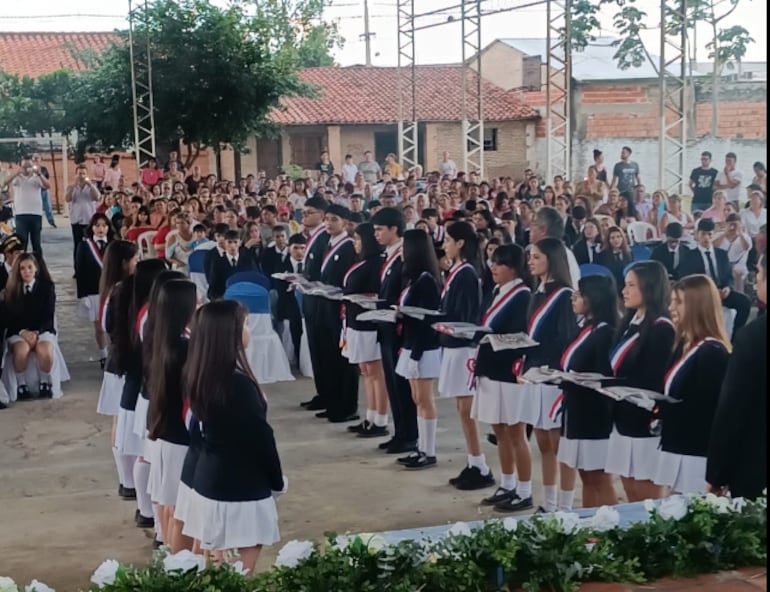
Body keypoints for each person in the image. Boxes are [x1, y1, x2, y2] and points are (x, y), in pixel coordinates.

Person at [182, 300, 285, 573]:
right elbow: (261, 438)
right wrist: (277, 481)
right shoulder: (236, 383)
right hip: (237, 487)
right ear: (228, 334)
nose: (249, 330)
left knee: (217, 570)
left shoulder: (203, 372)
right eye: (245, 325)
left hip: (210, 479)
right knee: (238, 573)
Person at [652, 274, 730, 495]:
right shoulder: (682, 346)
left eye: (678, 301)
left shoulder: (712, 353)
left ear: (697, 305)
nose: (671, 307)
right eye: (671, 301)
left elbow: (712, 412)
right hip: (677, 447)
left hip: (697, 455)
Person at [471, 244, 534, 511]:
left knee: (516, 431)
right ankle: (507, 484)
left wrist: (490, 337)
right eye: (492, 262)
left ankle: (525, 489)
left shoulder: (523, 295)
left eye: (500, 263)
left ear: (514, 268)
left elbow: (521, 335)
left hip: (509, 370)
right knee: (499, 429)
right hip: (490, 367)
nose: (493, 267)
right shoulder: (496, 290)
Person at [605, 260, 674, 502]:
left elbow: (655, 380)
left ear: (650, 288)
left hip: (644, 419)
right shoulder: (630, 322)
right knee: (630, 486)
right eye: (625, 285)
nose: (624, 291)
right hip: (623, 415)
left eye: (631, 285)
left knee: (648, 494)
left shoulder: (662, 328)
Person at [435, 221, 494, 488]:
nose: (444, 244)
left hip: (463, 347)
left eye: (448, 239)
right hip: (452, 344)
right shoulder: (457, 271)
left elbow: (466, 315)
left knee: (466, 408)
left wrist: (442, 321)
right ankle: (474, 461)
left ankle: (480, 465)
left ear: (460, 243)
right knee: (462, 407)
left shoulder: (467, 272)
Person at [523, 237, 578, 512]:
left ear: (552, 260)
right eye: (530, 257)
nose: (530, 262)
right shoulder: (538, 291)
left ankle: (565, 506)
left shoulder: (565, 294)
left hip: (553, 375)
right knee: (544, 441)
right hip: (535, 374)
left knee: (560, 444)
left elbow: (566, 337)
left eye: (536, 257)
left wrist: (543, 358)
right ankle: (549, 502)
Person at [707, 249, 766, 499]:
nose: (756, 279)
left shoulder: (753, 337)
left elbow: (732, 409)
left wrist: (717, 473)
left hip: (757, 466)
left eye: (760, 273)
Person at [113, 259, 167, 530]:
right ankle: (148, 512)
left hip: (137, 385)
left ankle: (143, 507)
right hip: (145, 389)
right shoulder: (150, 314)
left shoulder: (135, 303)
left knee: (140, 452)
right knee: (146, 454)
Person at [558, 275, 619, 508]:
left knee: (599, 477)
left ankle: (613, 527)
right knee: (585, 475)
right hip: (577, 409)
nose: (574, 298)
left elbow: (605, 375)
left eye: (579, 294)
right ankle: (590, 527)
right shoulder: (584, 327)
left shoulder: (605, 332)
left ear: (594, 298)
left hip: (595, 415)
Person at [146, 279, 197, 552]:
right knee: (181, 512)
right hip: (180, 435)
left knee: (168, 503)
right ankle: (178, 564)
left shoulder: (162, 339)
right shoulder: (185, 347)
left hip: (164, 431)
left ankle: (167, 557)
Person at [371, 208, 419, 454]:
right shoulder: (388, 255)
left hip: (397, 328)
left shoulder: (403, 257)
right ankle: (400, 432)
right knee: (392, 383)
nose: (376, 234)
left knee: (401, 384)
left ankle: (409, 435)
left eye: (380, 229)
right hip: (386, 325)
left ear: (394, 229)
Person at [394, 229, 442, 469]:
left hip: (423, 347)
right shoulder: (414, 278)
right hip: (411, 343)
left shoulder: (427, 281)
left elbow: (428, 321)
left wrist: (416, 353)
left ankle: (429, 450)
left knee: (424, 398)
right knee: (416, 398)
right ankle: (421, 447)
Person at [96, 240, 140, 500]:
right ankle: (127, 480)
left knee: (118, 421)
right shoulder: (122, 290)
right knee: (122, 422)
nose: (138, 263)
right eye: (136, 259)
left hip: (116, 360)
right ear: (125, 263)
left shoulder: (111, 288)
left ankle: (126, 480)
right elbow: (109, 325)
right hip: (122, 364)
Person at [342, 223, 389, 438]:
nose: (355, 243)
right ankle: (370, 416)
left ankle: (380, 419)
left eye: (359, 239)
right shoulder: (361, 261)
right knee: (366, 372)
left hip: (369, 323)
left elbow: (379, 294)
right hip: (355, 322)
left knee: (376, 372)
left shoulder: (377, 263)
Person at [314, 204, 359, 423]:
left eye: (334, 219)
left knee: (343, 358)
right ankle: (333, 401)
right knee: (329, 356)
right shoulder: (328, 243)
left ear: (345, 223)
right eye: (327, 219)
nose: (328, 223)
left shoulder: (348, 245)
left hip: (339, 307)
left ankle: (347, 405)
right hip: (325, 303)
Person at [679, 217, 751, 339]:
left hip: (722, 292)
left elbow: (728, 276)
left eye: (710, 234)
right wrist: (710, 290)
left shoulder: (721, 254)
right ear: (697, 234)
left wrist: (728, 287)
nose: (706, 237)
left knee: (744, 302)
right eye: (703, 234)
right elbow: (687, 280)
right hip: (702, 294)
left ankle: (735, 337)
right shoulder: (689, 256)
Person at [3, 254, 58, 400]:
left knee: (45, 351)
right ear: (17, 271)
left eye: (29, 267)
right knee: (21, 351)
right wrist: (23, 332)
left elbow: (48, 315)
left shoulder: (47, 288)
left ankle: (45, 383)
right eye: (22, 268)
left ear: (36, 268)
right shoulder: (11, 290)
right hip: (19, 331)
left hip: (42, 329)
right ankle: (21, 385)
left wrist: (36, 332)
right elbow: (9, 318)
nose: (26, 271)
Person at [75, 213, 115, 367]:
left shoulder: (113, 245)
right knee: (99, 326)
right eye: (97, 225)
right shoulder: (84, 246)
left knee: (113, 325)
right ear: (91, 227)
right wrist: (82, 295)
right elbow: (80, 271)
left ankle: (114, 353)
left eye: (104, 225)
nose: (101, 229)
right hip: (93, 292)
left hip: (112, 291)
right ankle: (103, 355)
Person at [7, 157, 50, 261]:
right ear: (20, 167)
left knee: (36, 243)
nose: (27, 169)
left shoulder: (37, 177)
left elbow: (48, 186)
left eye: (29, 167)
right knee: (22, 243)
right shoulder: (17, 178)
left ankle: (39, 267)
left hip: (35, 214)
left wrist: (39, 174)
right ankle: (20, 266)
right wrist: (17, 172)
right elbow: (5, 182)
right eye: (24, 167)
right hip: (21, 214)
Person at [207, 230, 259, 300]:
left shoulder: (248, 261)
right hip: (225, 301)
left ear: (240, 243)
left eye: (235, 242)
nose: (232, 245)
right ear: (225, 243)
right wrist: (219, 299)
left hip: (245, 299)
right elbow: (213, 288)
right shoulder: (217, 262)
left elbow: (255, 282)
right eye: (229, 242)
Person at [66, 163, 101, 265]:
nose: (81, 176)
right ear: (76, 175)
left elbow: (97, 197)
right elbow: (67, 199)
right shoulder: (71, 187)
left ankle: (90, 265)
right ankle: (77, 268)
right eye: (79, 173)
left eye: (83, 174)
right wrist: (73, 186)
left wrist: (90, 185)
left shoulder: (91, 187)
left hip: (89, 220)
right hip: (76, 220)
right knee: (77, 245)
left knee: (90, 245)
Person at [598, 226, 633, 294]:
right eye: (612, 238)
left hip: (626, 286)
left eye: (618, 236)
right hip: (609, 288)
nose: (616, 240)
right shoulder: (601, 256)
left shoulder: (628, 253)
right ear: (608, 240)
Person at [31, 154, 56, 228]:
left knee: (48, 206)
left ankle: (51, 221)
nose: (36, 160)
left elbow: (47, 178)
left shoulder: (43, 169)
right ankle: (36, 223)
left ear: (40, 159)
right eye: (34, 158)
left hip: (44, 190)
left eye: (37, 158)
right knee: (35, 208)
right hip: (34, 192)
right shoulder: (30, 169)